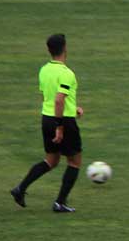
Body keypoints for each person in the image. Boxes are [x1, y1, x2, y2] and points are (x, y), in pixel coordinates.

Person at [10, 34, 85, 213]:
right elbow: (59, 100)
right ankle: (60, 202)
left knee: (51, 160)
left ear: (49, 50)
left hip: (47, 118)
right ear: (65, 48)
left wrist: (72, 108)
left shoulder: (44, 70)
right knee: (74, 161)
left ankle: (20, 188)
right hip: (63, 122)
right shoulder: (67, 73)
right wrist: (60, 126)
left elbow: (48, 98)